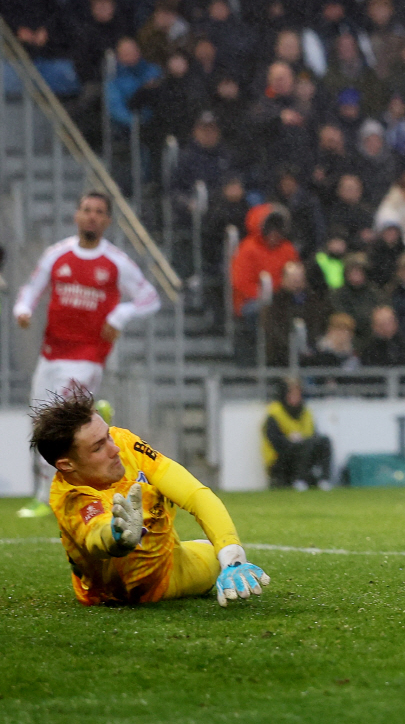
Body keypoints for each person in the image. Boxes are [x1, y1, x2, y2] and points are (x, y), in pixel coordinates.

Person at [37, 387, 269, 606]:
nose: (114, 448)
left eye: (108, 435)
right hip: (117, 592)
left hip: (169, 563)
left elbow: (194, 494)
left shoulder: (125, 443)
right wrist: (118, 538)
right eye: (98, 447)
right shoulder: (69, 496)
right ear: (67, 465)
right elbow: (96, 538)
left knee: (217, 551)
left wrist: (232, 554)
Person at [14, 192, 161, 518]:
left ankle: (47, 497)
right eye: (86, 210)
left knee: (57, 418)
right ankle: (93, 412)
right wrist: (23, 308)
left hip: (87, 355)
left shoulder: (116, 261)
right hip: (51, 352)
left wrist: (119, 315)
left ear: (107, 220)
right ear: (77, 216)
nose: (92, 216)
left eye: (98, 212)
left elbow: (150, 298)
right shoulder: (58, 254)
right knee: (40, 421)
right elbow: (31, 287)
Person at [262, 378, 334, 490]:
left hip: (305, 452)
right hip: (280, 459)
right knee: (305, 445)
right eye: (292, 394)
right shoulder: (275, 413)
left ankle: (324, 479)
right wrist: (291, 441)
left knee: (324, 441)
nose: (296, 398)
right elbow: (274, 441)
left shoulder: (306, 412)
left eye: (298, 394)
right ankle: (299, 479)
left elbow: (313, 434)